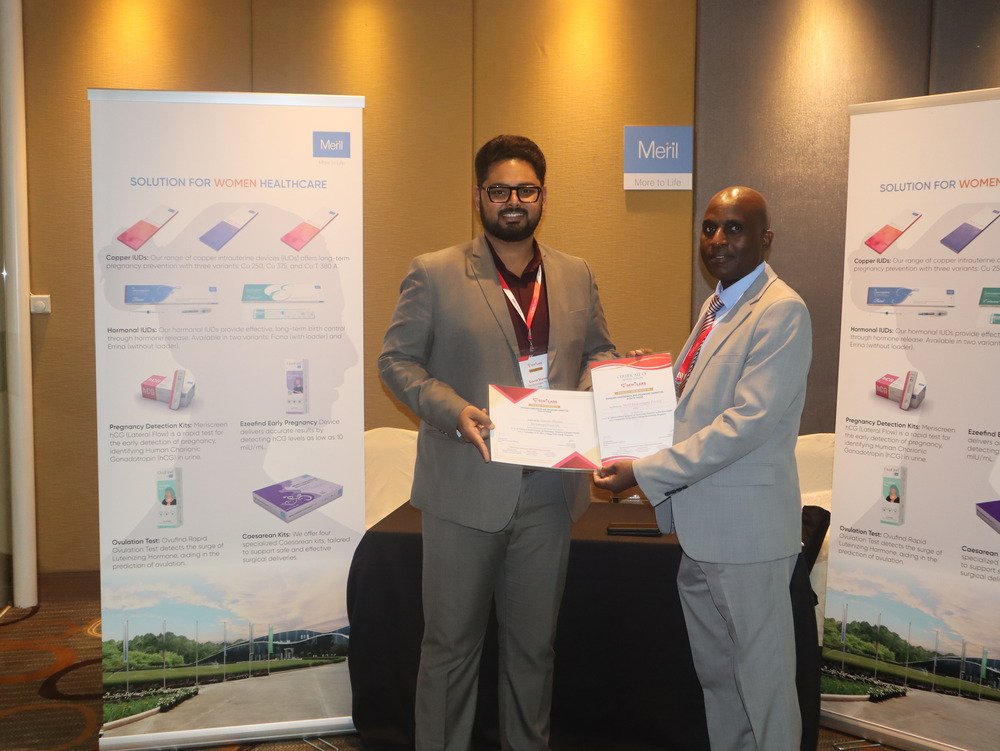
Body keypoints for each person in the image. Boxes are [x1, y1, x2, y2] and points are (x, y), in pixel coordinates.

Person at [379, 135, 616, 751]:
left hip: (548, 495)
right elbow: (397, 363)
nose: (514, 201)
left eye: (526, 190)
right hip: (465, 487)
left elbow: (599, 352)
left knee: (534, 652)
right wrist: (454, 410)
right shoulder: (434, 272)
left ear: (543, 196)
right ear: (478, 196)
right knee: (450, 650)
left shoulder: (576, 274)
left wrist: (594, 389)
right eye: (500, 190)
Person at [594, 186, 812, 750]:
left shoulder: (780, 310)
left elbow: (744, 424)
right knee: (721, 682)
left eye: (734, 228)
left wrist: (644, 471)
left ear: (765, 238)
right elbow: (697, 402)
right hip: (702, 531)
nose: (717, 240)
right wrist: (644, 385)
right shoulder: (718, 304)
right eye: (710, 227)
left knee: (764, 688)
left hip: (747, 536)